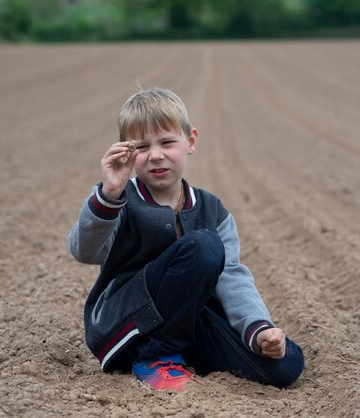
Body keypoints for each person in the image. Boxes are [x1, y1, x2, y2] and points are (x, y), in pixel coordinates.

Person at [68, 87, 304, 391]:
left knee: (286, 364)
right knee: (203, 246)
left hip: (191, 324)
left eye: (167, 142)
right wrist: (108, 195)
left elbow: (232, 278)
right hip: (126, 326)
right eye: (142, 147)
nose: (156, 155)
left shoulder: (212, 210)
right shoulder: (118, 199)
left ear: (190, 141)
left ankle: (177, 354)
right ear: (127, 152)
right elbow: (84, 251)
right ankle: (157, 356)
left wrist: (259, 329)